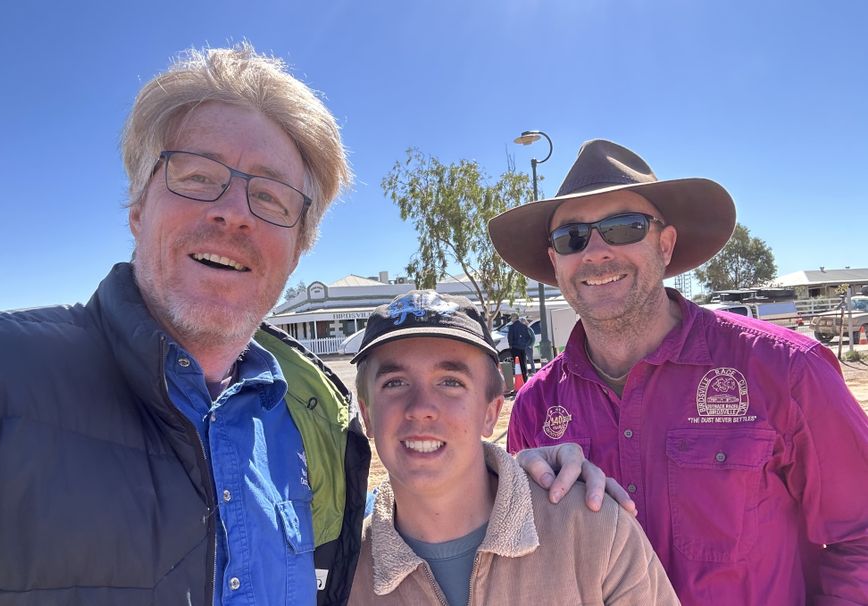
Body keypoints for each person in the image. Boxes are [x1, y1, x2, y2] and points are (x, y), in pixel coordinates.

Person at [0, 44, 371, 605]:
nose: (233, 211)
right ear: (138, 209)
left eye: (272, 198)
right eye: (199, 176)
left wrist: (521, 476)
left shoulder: (303, 427)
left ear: (297, 251)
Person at [489, 139, 868, 605]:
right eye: (573, 238)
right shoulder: (536, 407)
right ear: (555, 261)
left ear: (665, 244)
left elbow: (860, 537)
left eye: (624, 227)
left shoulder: (786, 370)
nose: (596, 251)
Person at [349, 290, 678, 605]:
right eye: (395, 383)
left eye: (451, 382)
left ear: (491, 412)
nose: (421, 407)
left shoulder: (595, 532)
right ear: (367, 415)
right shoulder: (343, 572)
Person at [507, 313, 533, 381]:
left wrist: (511, 345)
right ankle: (525, 378)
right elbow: (529, 337)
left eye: (511, 318)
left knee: (517, 364)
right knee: (523, 363)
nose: (511, 320)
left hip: (515, 348)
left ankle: (519, 380)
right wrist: (525, 345)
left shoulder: (512, 327)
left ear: (514, 318)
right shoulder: (524, 326)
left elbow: (510, 338)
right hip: (523, 348)